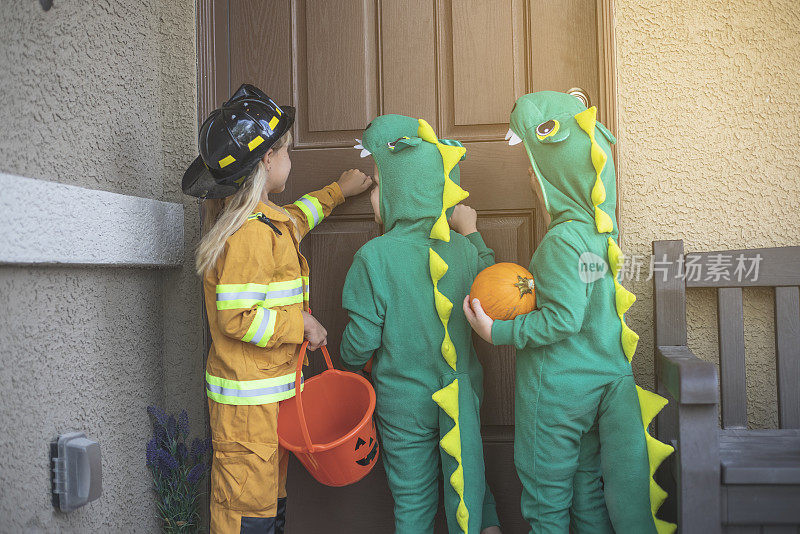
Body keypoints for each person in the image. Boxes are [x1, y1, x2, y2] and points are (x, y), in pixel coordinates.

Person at [464, 91, 674, 533]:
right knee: (587, 494)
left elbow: (562, 319)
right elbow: (591, 302)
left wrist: (495, 333)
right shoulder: (600, 236)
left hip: (557, 393)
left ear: (553, 181)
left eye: (535, 175)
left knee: (546, 500)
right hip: (601, 380)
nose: (531, 180)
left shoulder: (561, 241)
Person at [183, 83, 371, 534]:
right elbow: (236, 318)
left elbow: (296, 220)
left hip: (271, 400)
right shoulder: (248, 234)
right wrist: (300, 322)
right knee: (247, 516)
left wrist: (338, 192)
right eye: (286, 150)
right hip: (249, 412)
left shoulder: (267, 220)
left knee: (268, 507)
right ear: (267, 160)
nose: (290, 159)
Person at [340, 114, 502, 534]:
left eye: (379, 188)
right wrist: (475, 234)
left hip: (402, 402)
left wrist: (351, 365)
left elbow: (360, 341)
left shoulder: (374, 258)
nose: (374, 197)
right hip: (461, 391)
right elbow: (494, 288)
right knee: (469, 482)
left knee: (412, 498)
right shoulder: (465, 251)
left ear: (401, 192)